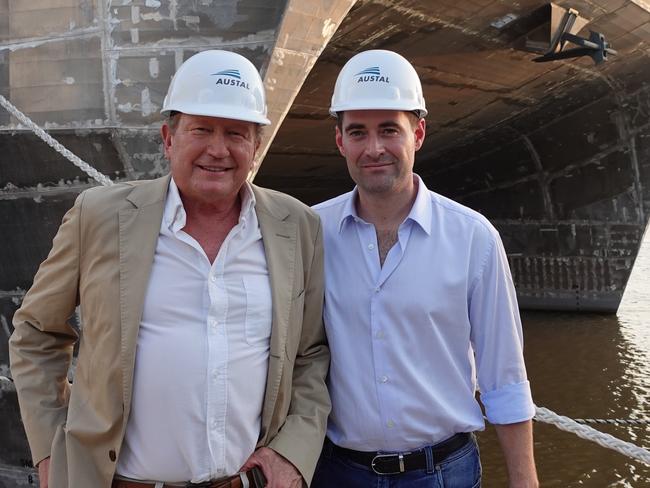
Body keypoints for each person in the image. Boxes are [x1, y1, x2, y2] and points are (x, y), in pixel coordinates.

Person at [9, 49, 330, 488]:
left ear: (255, 146)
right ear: (168, 138)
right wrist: (50, 453)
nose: (218, 150)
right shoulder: (99, 217)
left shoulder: (297, 226)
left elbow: (311, 357)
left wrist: (292, 454)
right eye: (201, 129)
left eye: (236, 133)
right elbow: (36, 333)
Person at [311, 49, 538, 487]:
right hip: (338, 471)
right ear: (340, 142)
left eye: (389, 130)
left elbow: (503, 374)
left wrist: (524, 479)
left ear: (418, 133)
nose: (374, 148)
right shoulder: (310, 232)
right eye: (358, 132)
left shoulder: (474, 238)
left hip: (443, 473)